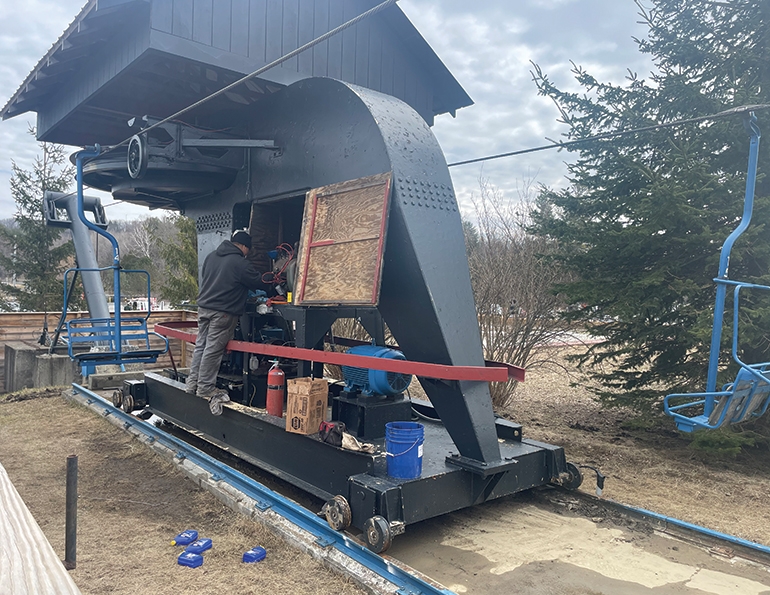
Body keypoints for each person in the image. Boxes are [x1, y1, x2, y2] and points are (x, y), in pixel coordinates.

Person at [186, 229, 267, 415]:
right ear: (244, 246)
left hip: (204, 308)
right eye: (248, 249)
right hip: (222, 313)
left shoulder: (211, 257)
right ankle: (205, 388)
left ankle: (192, 385)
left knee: (201, 346)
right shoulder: (239, 262)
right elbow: (258, 281)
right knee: (213, 349)